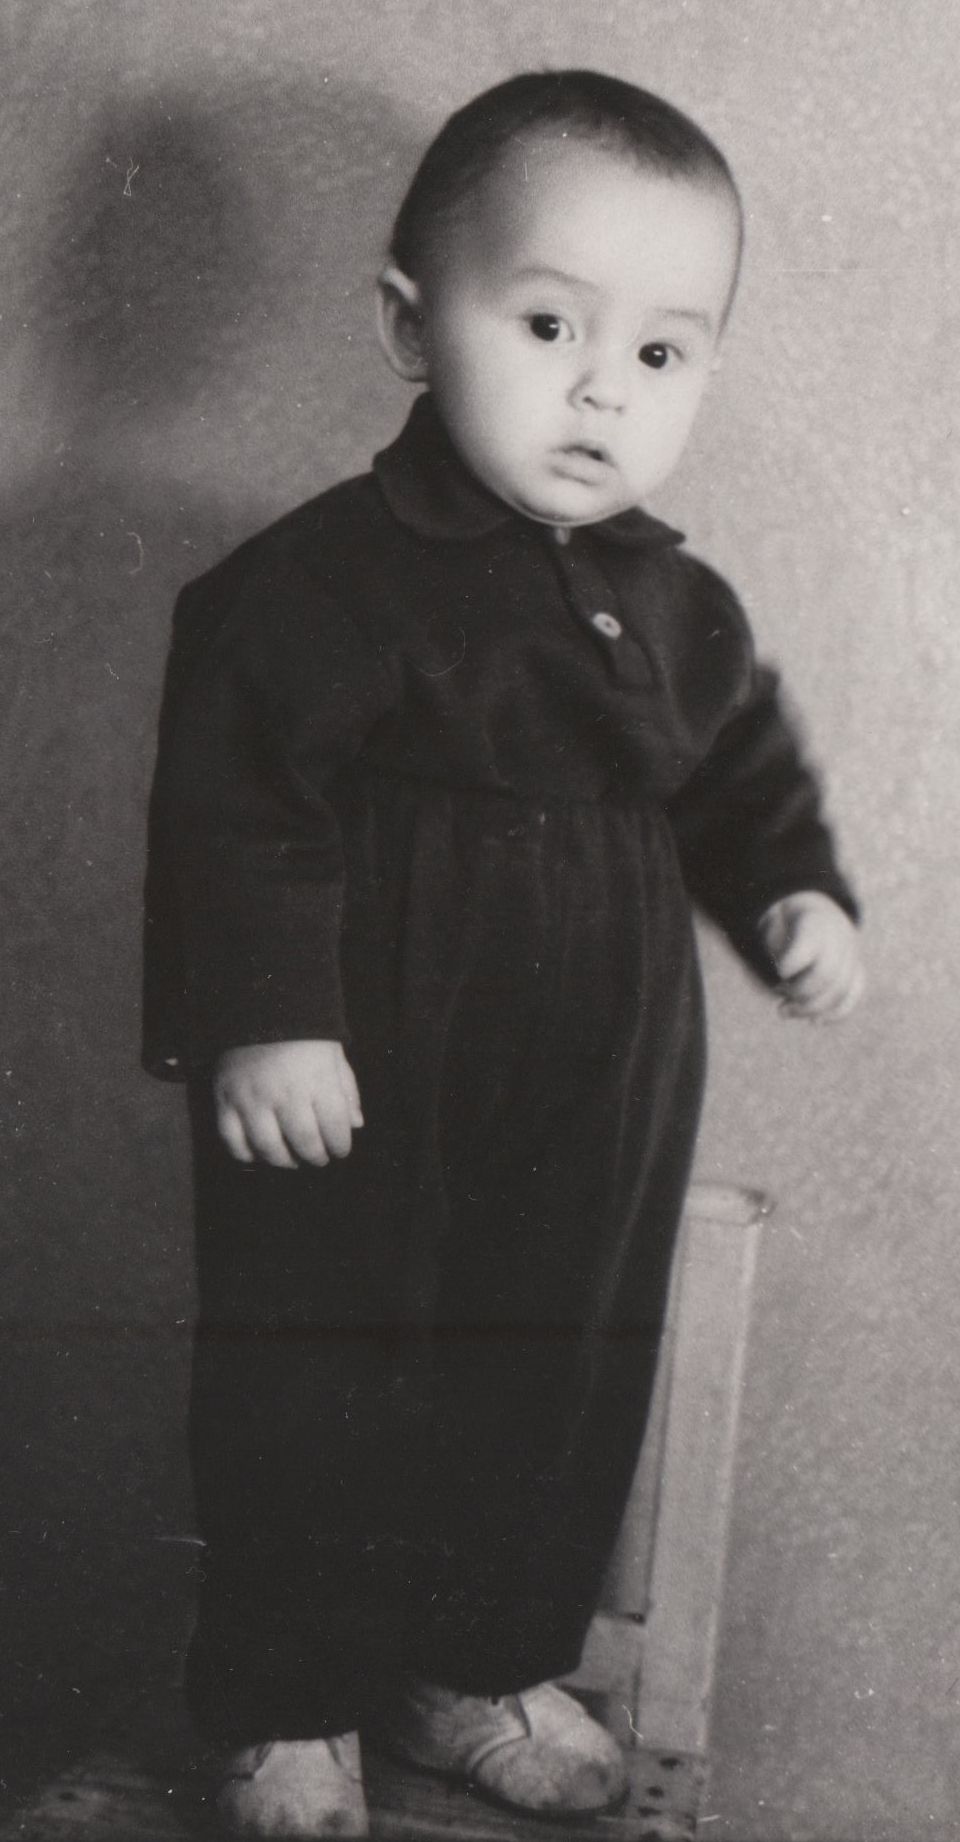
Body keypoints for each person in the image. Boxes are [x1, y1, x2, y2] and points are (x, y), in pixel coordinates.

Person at [143, 68, 864, 1838]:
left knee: (553, 1365)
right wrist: (268, 1016)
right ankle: (287, 1693)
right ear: (413, 323)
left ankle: (471, 1660)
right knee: (321, 1360)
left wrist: (794, 891)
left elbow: (742, 778)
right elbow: (240, 805)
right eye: (549, 325)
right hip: (364, 1055)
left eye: (662, 351)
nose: (604, 386)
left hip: (600, 1065)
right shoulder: (314, 585)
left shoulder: (679, 605)